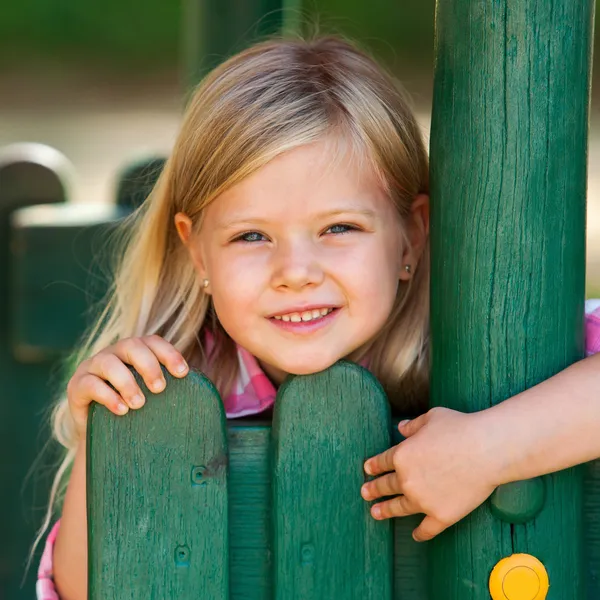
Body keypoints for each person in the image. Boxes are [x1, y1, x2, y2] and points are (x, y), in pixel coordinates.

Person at [34, 35, 599, 600]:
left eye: (338, 229)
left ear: (412, 236)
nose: (296, 271)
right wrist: (103, 441)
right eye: (251, 236)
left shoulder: (486, 346)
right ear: (198, 252)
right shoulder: (174, 391)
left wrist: (492, 445)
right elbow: (88, 590)